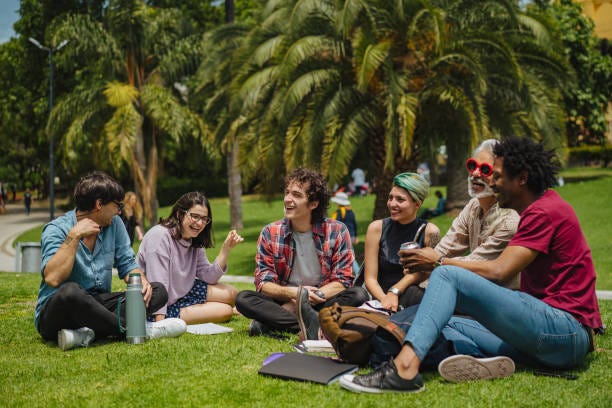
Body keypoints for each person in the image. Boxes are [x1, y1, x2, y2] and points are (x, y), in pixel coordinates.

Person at [340, 137, 602, 393]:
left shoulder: (543, 211)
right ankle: (487, 362)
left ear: (521, 178)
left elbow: (500, 270)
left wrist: (439, 262)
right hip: (543, 337)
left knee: (446, 275)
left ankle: (404, 370)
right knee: (447, 322)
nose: (492, 182)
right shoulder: (525, 209)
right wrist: (402, 285)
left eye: (497, 175)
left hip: (564, 334)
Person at [367, 139, 520, 367]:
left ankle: (455, 352)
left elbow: (463, 266)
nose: (475, 174)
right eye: (472, 166)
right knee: (412, 296)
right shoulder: (473, 207)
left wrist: (433, 262)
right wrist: (395, 290)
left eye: (485, 169)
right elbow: (441, 251)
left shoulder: (509, 220)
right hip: (468, 296)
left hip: (496, 305)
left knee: (421, 300)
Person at [35, 171, 186, 351]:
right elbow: (53, 278)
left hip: (98, 304)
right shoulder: (56, 229)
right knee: (71, 293)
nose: (119, 211)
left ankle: (86, 334)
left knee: (157, 291)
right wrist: (73, 237)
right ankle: (136, 329)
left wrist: (142, 282)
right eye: (117, 205)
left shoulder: (115, 224)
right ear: (99, 204)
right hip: (59, 313)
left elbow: (128, 265)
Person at [235, 168, 369, 340]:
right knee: (244, 299)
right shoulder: (270, 232)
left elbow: (343, 280)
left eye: (297, 195)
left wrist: (309, 299)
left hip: (321, 299)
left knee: (359, 295)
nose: (287, 199)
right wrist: (296, 295)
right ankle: (314, 324)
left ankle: (271, 322)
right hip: (284, 298)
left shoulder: (337, 230)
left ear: (313, 204)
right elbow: (263, 282)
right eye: (287, 193)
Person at [138, 192, 242, 324]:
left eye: (204, 218)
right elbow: (158, 284)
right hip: (155, 304)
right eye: (195, 216)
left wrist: (225, 249)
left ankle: (198, 309)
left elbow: (208, 277)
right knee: (225, 311)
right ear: (179, 214)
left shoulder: (193, 240)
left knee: (232, 294)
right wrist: (160, 323)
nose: (199, 223)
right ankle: (191, 312)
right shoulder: (159, 237)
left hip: (183, 292)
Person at [362, 172, 440, 311]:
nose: (392, 204)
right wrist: (385, 300)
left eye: (400, 199)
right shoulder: (376, 228)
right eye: (390, 197)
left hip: (412, 299)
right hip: (379, 298)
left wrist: (396, 292)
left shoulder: (430, 232)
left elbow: (430, 271)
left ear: (417, 203)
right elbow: (370, 279)